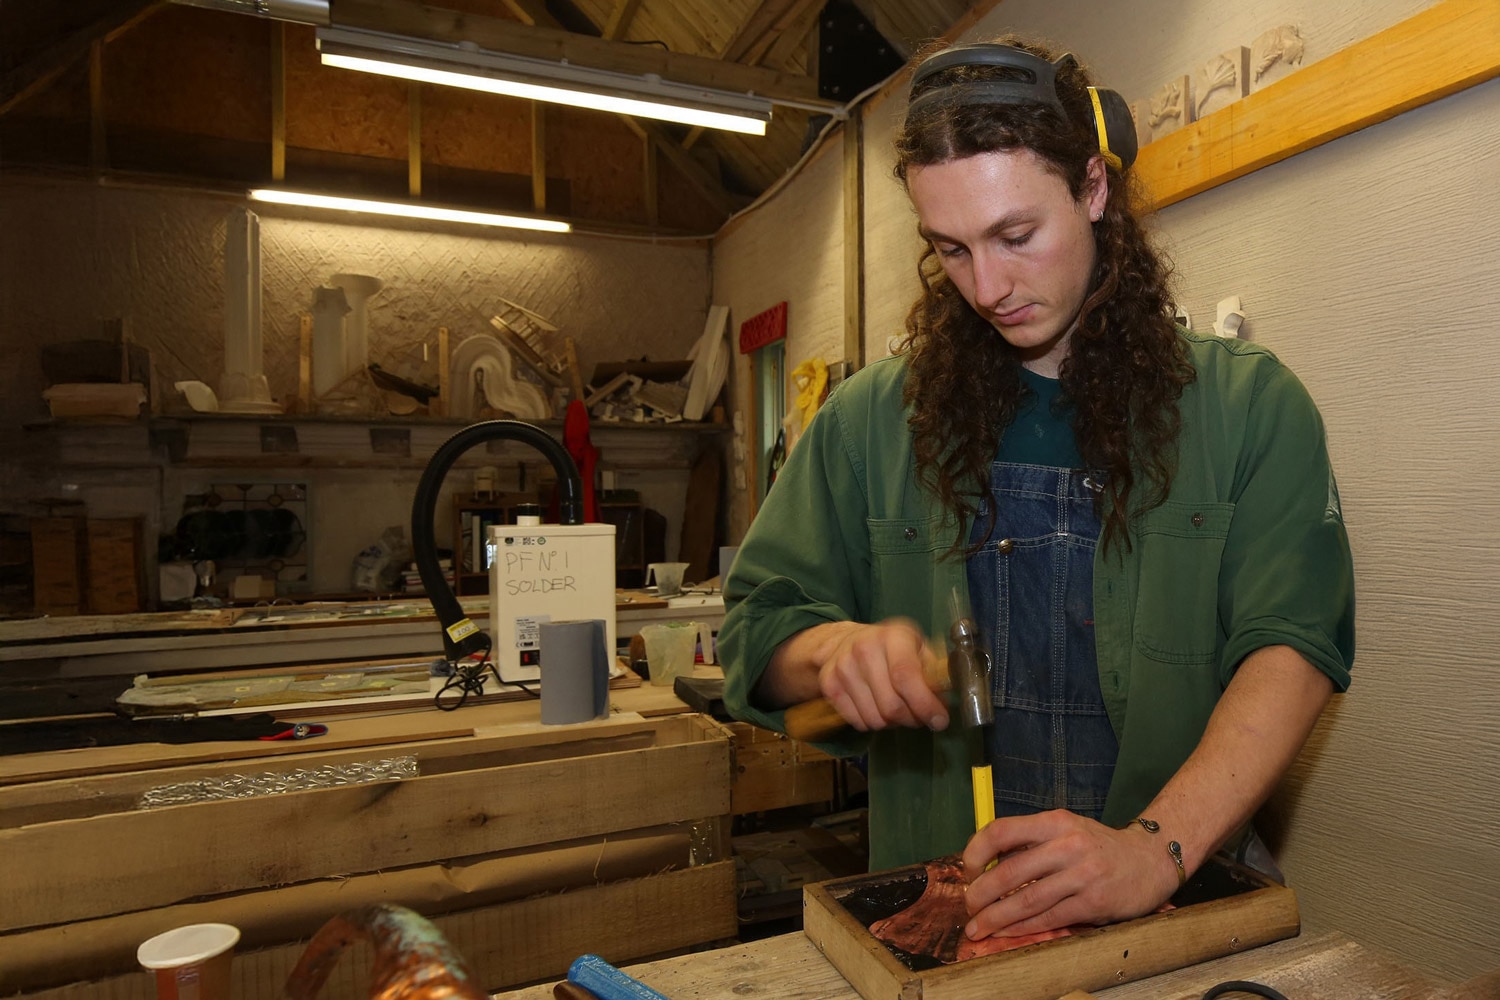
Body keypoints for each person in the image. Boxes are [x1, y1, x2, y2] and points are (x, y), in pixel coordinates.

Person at [719, 36, 1354, 945]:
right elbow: (756, 631)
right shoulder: (868, 424)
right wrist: (828, 653)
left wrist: (1155, 849)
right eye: (952, 250)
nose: (988, 287)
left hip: (1177, 902)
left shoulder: (1250, 407)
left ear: (1093, 189)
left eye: (1016, 237)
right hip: (954, 919)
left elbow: (1292, 647)